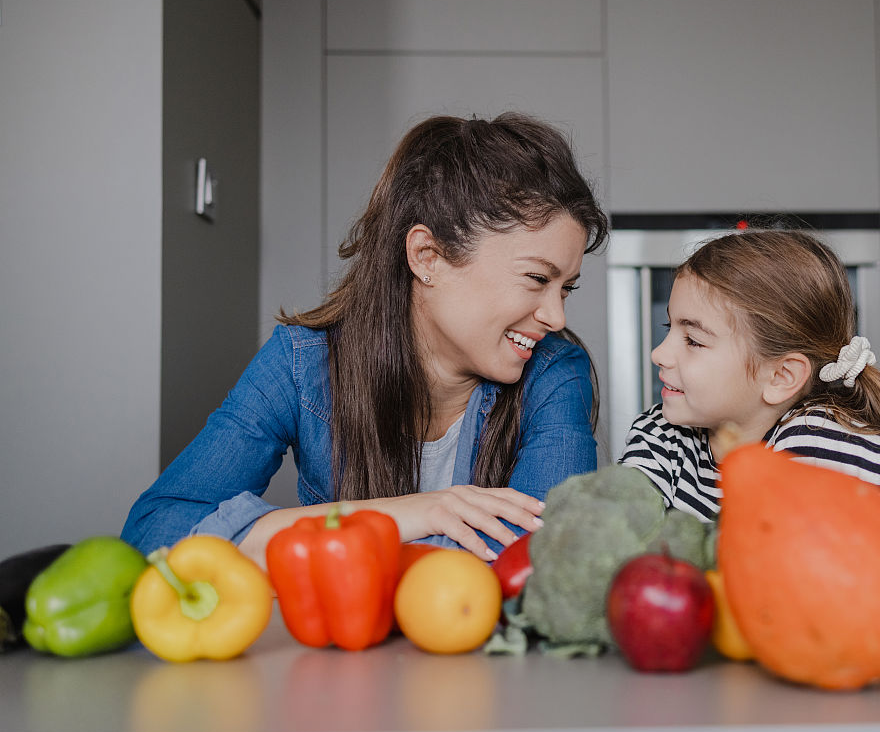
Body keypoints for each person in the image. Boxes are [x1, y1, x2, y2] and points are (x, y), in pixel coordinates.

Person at [122, 113, 608, 564]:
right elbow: (154, 534)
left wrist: (287, 538)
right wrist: (412, 513)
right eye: (535, 278)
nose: (554, 315)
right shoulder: (300, 365)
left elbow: (546, 553)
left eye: (566, 287)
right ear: (427, 256)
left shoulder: (555, 370)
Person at [618, 229, 880, 541]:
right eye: (670, 328)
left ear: (781, 377)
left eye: (694, 341)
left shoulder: (827, 446)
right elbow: (616, 533)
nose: (659, 354)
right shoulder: (661, 435)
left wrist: (869, 566)